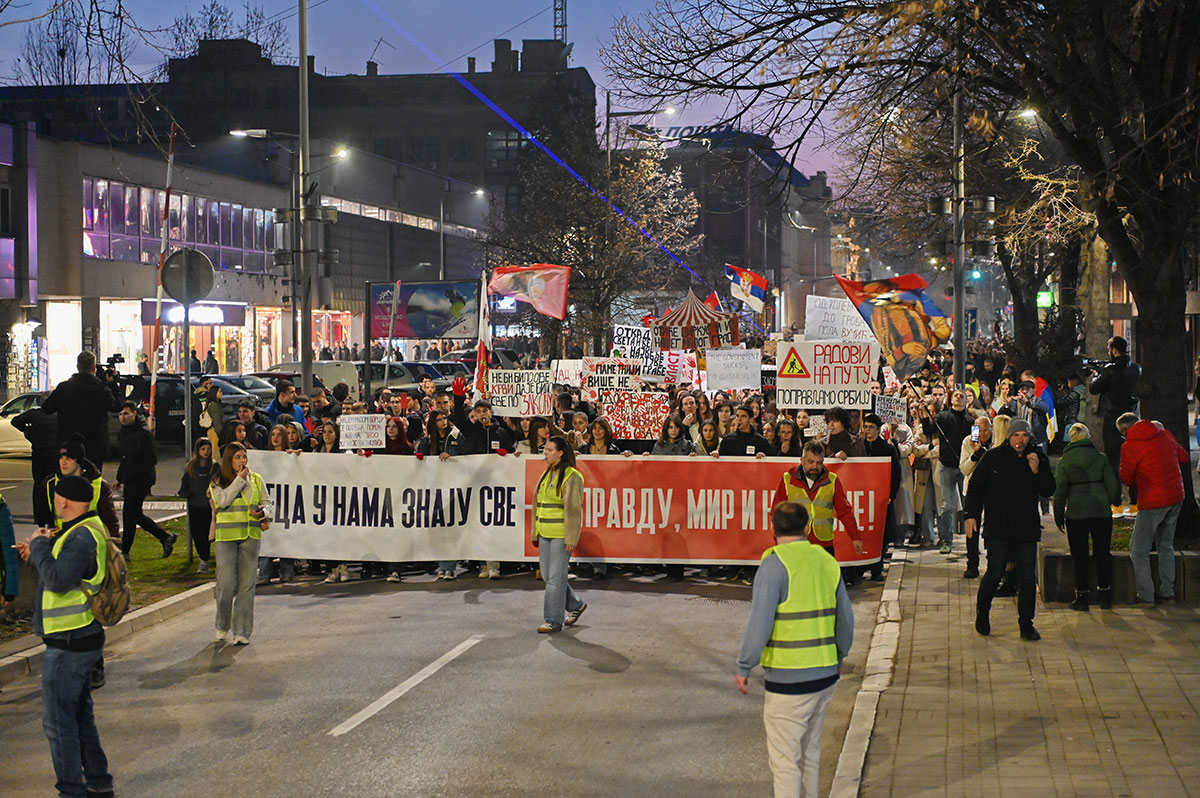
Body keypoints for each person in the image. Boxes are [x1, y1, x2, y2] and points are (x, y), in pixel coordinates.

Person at [735, 501, 854, 798]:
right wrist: (838, 656)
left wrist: (744, 665)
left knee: (785, 761)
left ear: (772, 527)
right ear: (807, 526)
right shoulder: (826, 561)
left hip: (788, 681)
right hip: (825, 677)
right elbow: (846, 620)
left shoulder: (773, 566)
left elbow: (759, 624)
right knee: (810, 753)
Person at [16, 475, 116, 798]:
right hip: (80, 640)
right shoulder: (83, 530)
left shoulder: (81, 537)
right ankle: (99, 783)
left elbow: (58, 580)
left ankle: (72, 791)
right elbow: (62, 573)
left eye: (56, 497)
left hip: (70, 643)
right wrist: (36, 555)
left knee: (59, 725)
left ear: (62, 501)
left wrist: (40, 545)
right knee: (80, 716)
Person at [966, 418, 1055, 640]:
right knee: (995, 572)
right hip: (998, 527)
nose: (1020, 440)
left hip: (1025, 528)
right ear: (1009, 436)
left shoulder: (1036, 457)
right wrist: (971, 516)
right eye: (1016, 435)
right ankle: (982, 613)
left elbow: (1049, 489)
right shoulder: (994, 457)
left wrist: (1036, 471)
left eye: (1024, 436)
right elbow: (976, 487)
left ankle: (1026, 623)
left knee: (1026, 577)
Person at [773, 441, 866, 587]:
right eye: (810, 462)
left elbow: (845, 512)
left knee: (825, 587)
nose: (814, 467)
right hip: (795, 545)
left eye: (819, 463)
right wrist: (778, 540)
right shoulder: (787, 479)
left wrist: (856, 537)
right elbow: (776, 512)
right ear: (802, 460)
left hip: (824, 544)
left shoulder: (832, 480)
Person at [1118, 413, 1188, 606]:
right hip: (1175, 496)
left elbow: (1126, 478)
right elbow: (1183, 456)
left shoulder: (1130, 446)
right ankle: (1168, 593)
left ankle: (1145, 595)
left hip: (1153, 499)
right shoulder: (1164, 434)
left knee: (1138, 549)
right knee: (1166, 546)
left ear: (1125, 430)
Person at [1053, 423, 1120, 611]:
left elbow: (1060, 494)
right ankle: (1105, 595)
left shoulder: (1064, 462)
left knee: (1079, 555)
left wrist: (1059, 517)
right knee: (1102, 553)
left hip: (1076, 514)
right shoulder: (1101, 459)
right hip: (1100, 512)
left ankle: (1082, 597)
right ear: (1088, 436)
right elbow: (1113, 486)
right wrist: (1113, 501)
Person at [209, 442, 270, 645]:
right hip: (226, 538)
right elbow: (223, 501)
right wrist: (239, 480)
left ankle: (242, 631)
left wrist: (264, 512)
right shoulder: (217, 481)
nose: (242, 461)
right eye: (237, 457)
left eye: (244, 456)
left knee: (247, 585)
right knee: (226, 584)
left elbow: (267, 503)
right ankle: (222, 624)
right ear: (228, 460)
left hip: (250, 535)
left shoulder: (257, 479)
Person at [531, 436, 587, 633]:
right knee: (549, 576)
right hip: (545, 532)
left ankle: (553, 620)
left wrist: (571, 537)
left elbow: (573, 510)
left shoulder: (572, 476)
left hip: (560, 535)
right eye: (545, 449)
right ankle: (576, 605)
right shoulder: (547, 473)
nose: (545, 453)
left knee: (555, 578)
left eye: (549, 450)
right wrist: (535, 531)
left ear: (560, 453)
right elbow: (537, 504)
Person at [114, 401, 176, 559]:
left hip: (141, 479)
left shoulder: (143, 433)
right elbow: (124, 458)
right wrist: (120, 477)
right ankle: (164, 537)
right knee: (133, 514)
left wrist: (133, 475)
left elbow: (150, 459)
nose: (122, 417)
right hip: (130, 478)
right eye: (120, 414)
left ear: (134, 413)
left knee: (130, 514)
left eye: (126, 413)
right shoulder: (123, 432)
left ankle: (126, 551)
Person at [40, 351, 120, 468]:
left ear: (77, 366)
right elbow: (117, 406)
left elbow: (47, 408)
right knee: (92, 479)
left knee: (68, 479)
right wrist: (112, 384)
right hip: (95, 444)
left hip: (68, 442)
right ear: (94, 368)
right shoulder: (101, 390)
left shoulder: (64, 388)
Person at [1089, 336, 1141, 510]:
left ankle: (1116, 503)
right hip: (1132, 419)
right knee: (1133, 460)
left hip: (1112, 420)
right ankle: (1135, 502)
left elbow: (1094, 388)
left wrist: (1096, 375)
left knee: (1114, 462)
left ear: (1114, 350)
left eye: (1109, 347)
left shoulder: (1111, 370)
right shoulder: (1136, 369)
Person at [34, 436, 120, 542]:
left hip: (90, 543)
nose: (63, 462)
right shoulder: (50, 484)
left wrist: (115, 547)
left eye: (69, 458)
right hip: (61, 542)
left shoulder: (99, 486)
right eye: (61, 458)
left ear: (78, 461)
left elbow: (110, 522)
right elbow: (45, 519)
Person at [923, 388, 974, 554]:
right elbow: (928, 430)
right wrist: (924, 416)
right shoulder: (943, 416)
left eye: (962, 396)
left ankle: (971, 541)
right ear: (951, 400)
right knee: (946, 506)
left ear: (967, 400)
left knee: (968, 505)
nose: (958, 398)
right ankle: (947, 541)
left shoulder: (970, 420)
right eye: (956, 396)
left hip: (965, 467)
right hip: (947, 465)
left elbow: (975, 441)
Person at [860, 413, 900, 582]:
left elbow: (896, 474)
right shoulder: (859, 447)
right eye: (866, 427)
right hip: (863, 497)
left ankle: (877, 568)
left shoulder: (888, 448)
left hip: (882, 498)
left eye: (871, 428)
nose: (868, 431)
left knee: (881, 533)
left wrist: (891, 495)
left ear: (878, 430)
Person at [958, 415, 993, 578]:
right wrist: (974, 455)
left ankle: (992, 561)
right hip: (972, 491)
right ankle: (972, 564)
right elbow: (964, 470)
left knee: (991, 527)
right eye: (979, 430)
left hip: (992, 491)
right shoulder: (968, 442)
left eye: (986, 430)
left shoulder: (996, 442)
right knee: (972, 528)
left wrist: (982, 452)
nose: (983, 434)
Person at [179, 438, 217, 574]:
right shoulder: (191, 467)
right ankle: (203, 558)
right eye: (203, 449)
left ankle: (206, 559)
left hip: (209, 507)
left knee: (208, 533)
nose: (206, 452)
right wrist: (187, 494)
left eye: (208, 449)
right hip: (195, 505)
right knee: (197, 533)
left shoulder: (214, 466)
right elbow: (185, 484)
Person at [13, 401, 60, 484]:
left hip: (38, 451)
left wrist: (27, 431)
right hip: (54, 452)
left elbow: (15, 421)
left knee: (38, 480)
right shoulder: (58, 415)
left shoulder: (33, 414)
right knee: (52, 480)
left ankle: (38, 496)